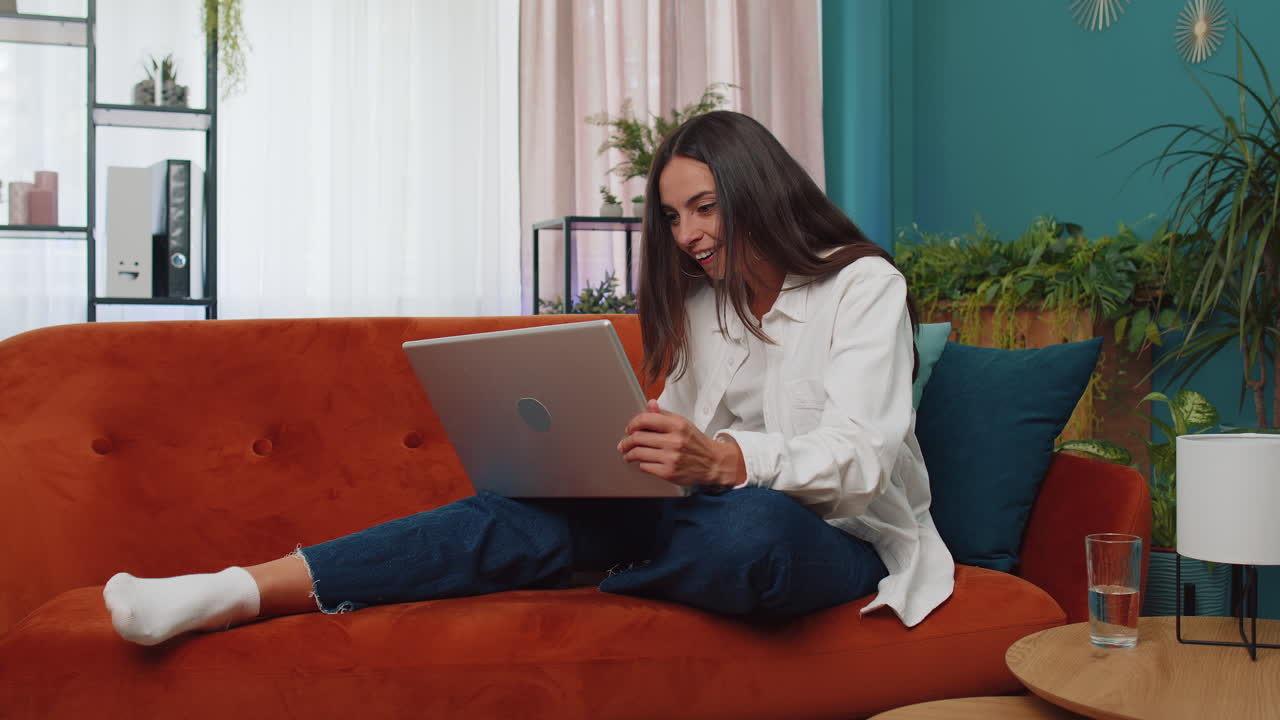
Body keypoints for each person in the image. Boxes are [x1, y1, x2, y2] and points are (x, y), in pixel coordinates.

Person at [102, 110, 954, 646]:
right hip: (709, 520)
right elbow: (680, 437)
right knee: (518, 514)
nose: (688, 234)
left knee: (752, 533)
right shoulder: (705, 307)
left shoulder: (862, 286)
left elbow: (862, 459)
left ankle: (576, 562)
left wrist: (726, 461)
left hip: (847, 539)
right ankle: (234, 589)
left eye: (704, 207)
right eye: (671, 216)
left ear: (757, 192)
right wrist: (627, 455)